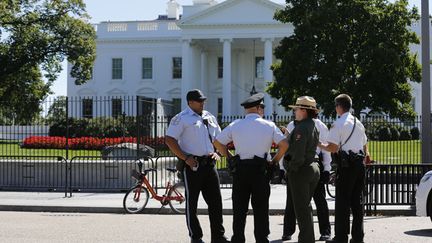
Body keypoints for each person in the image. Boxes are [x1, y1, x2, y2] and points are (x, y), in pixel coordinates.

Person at [213, 92, 288, 243]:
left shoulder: (236, 125)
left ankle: (238, 238)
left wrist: (229, 157)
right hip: (260, 170)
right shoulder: (269, 125)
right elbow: (285, 144)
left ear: (246, 109)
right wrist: (274, 161)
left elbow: (217, 142)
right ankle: (261, 238)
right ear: (258, 108)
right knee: (261, 208)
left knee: (239, 208)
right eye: (262, 107)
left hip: (241, 169)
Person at [165, 89, 229, 243]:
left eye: (203, 101)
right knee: (192, 203)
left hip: (209, 164)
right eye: (199, 101)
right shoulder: (181, 118)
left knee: (216, 202)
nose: (202, 103)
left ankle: (218, 236)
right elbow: (169, 139)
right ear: (190, 102)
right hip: (193, 166)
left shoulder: (209, 116)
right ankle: (196, 236)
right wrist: (185, 158)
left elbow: (219, 139)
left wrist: (218, 153)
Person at [319, 94, 369, 243]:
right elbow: (365, 145)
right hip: (359, 165)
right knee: (357, 202)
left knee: (342, 203)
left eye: (336, 106)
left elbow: (333, 147)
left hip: (346, 167)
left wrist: (319, 144)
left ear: (339, 107)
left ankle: (341, 237)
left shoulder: (338, 123)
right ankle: (358, 237)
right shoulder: (358, 123)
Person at [281, 101, 332, 241]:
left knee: (302, 210)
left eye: (296, 109)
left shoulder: (301, 128)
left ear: (303, 110)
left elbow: (297, 153)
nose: (294, 111)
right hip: (312, 166)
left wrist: (289, 168)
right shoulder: (312, 125)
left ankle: (306, 239)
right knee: (305, 207)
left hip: (301, 170)